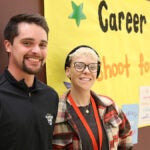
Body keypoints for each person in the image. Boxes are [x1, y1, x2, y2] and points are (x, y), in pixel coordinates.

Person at [52, 45, 133, 150]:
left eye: (92, 67)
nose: (86, 71)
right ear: (68, 71)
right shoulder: (56, 113)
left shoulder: (110, 106)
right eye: (79, 65)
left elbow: (126, 140)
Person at [0, 13, 59, 150]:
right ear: (8, 45)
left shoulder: (51, 96)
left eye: (42, 45)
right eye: (27, 43)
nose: (36, 51)